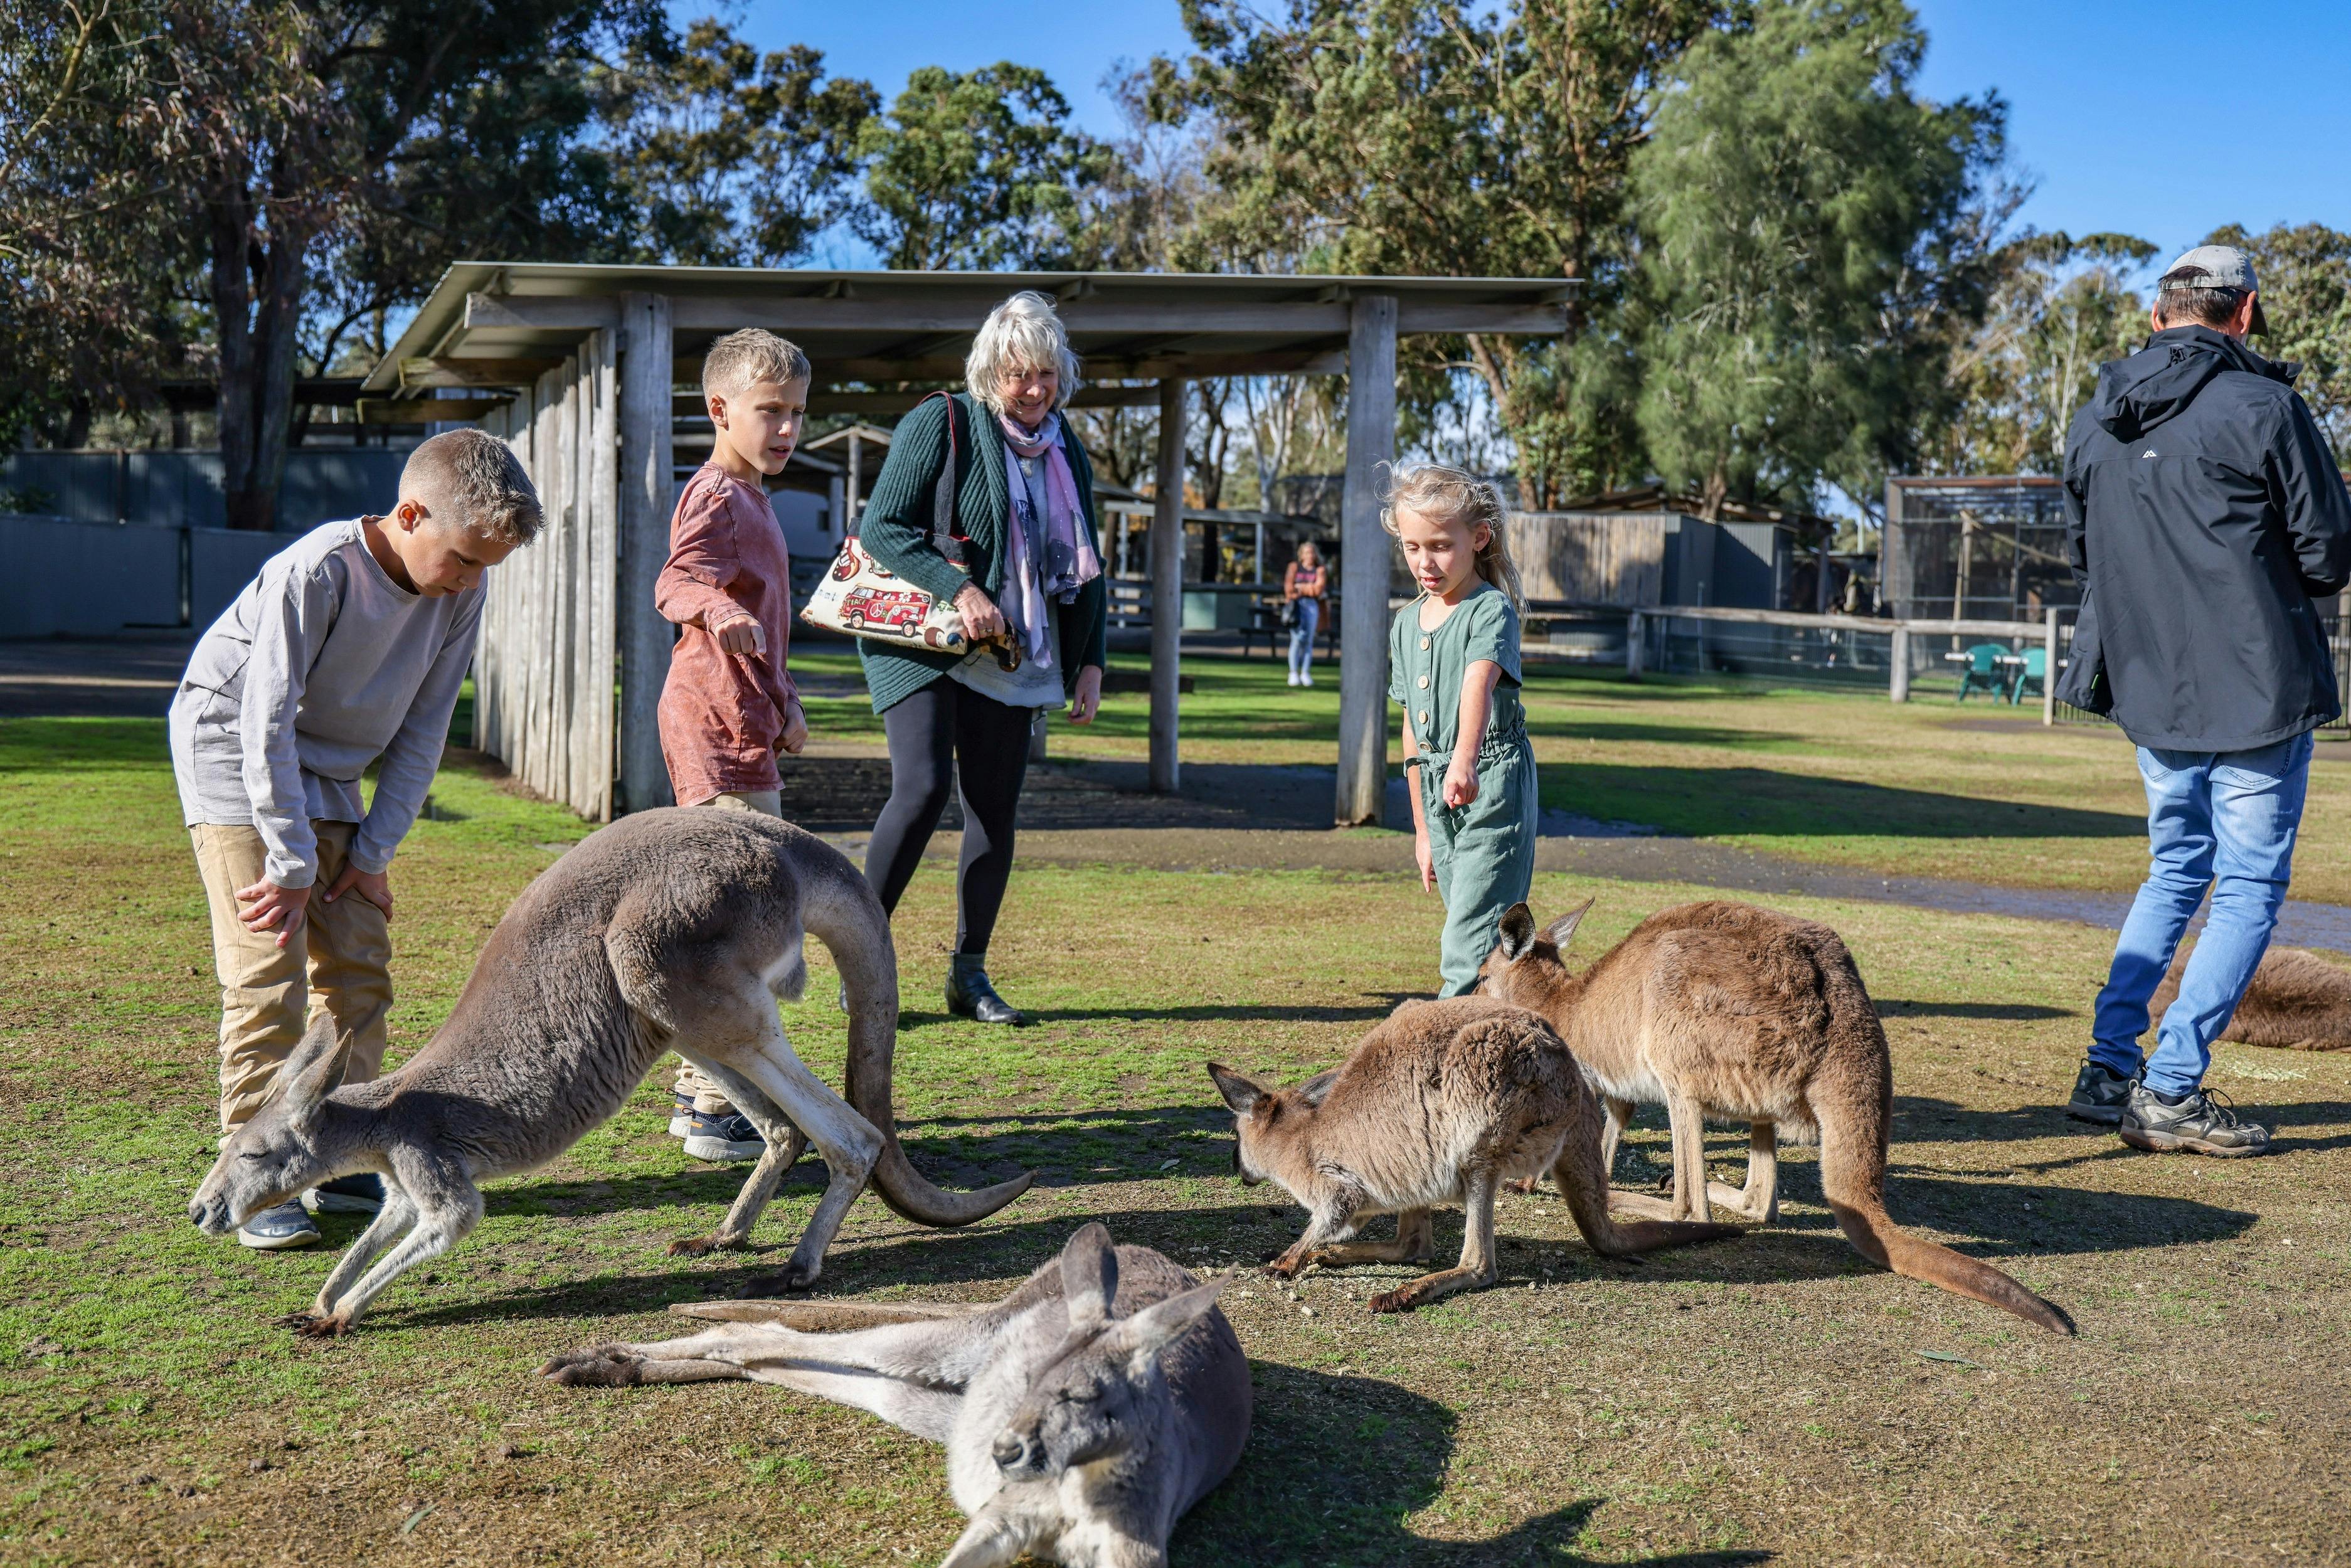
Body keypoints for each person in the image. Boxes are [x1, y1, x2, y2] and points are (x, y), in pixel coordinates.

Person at [169, 428, 541, 1248]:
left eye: (485, 568)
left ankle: (335, 1157)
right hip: (234, 752)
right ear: (412, 514)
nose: (469, 582)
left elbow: (423, 730)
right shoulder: (319, 572)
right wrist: (294, 862)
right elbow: (263, 724)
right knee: (270, 974)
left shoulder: (459, 596)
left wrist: (370, 856)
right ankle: (257, 1181)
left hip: (329, 766)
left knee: (360, 975)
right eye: (463, 560)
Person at [2057, 243, 2351, 1156]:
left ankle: (2110, 1070)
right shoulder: (2267, 407)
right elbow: (2329, 555)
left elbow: (2083, 554)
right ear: (2246, 312)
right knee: (2248, 885)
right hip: (2254, 687)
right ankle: (2173, 1085)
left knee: (2174, 870)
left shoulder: (2092, 421)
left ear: (2160, 315)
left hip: (2150, 688)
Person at [857, 291, 1109, 1025]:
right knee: (924, 787)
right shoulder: (942, 422)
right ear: (988, 373)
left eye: (1045, 374)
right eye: (1017, 374)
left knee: (994, 811)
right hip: (928, 644)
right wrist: (958, 587)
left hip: (1013, 652)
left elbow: (1086, 564)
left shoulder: (1067, 449)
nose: (1032, 389)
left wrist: (1089, 661)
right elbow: (883, 530)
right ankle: (861, 958)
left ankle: (968, 973)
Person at [654, 327, 814, 1162]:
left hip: (747, 726)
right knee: (746, 920)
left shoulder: (758, 498)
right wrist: (719, 610)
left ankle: (700, 1094)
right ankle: (724, 1107)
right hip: (711, 729)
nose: (786, 428)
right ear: (720, 410)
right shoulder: (717, 494)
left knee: (747, 911)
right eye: (769, 412)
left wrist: (784, 700)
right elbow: (675, 581)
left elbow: (771, 635)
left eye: (795, 413)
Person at [1385, 464, 1536, 999]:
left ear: (1478, 538)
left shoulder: (1488, 610)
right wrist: (1423, 831)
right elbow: (1410, 730)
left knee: (1468, 947)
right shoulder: (1405, 623)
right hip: (1437, 789)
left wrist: (1465, 759)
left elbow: (1478, 683)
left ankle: (1450, 1056)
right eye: (1412, 546)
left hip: (1489, 783)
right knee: (1477, 934)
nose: (1425, 562)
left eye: (1440, 546)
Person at [1283, 539, 1327, 686]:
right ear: (1302, 555)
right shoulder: (1294, 567)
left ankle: (1305, 673)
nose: (1310, 556)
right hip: (1296, 605)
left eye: (1312, 553)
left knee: (1308, 640)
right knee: (1296, 640)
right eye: (1307, 553)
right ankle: (1293, 672)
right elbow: (1289, 588)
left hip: (1312, 605)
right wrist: (1307, 588)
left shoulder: (1319, 570)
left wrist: (1301, 587)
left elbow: (1318, 590)